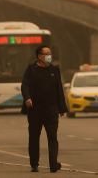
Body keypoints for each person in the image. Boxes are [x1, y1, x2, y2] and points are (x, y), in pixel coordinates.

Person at [21, 45, 68, 173]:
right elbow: (24, 85)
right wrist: (27, 98)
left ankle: (53, 164)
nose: (49, 56)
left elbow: (59, 89)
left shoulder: (54, 70)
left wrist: (61, 107)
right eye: (46, 54)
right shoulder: (31, 69)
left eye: (50, 53)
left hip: (51, 110)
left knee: (52, 137)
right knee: (34, 137)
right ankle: (34, 164)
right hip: (35, 110)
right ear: (39, 56)